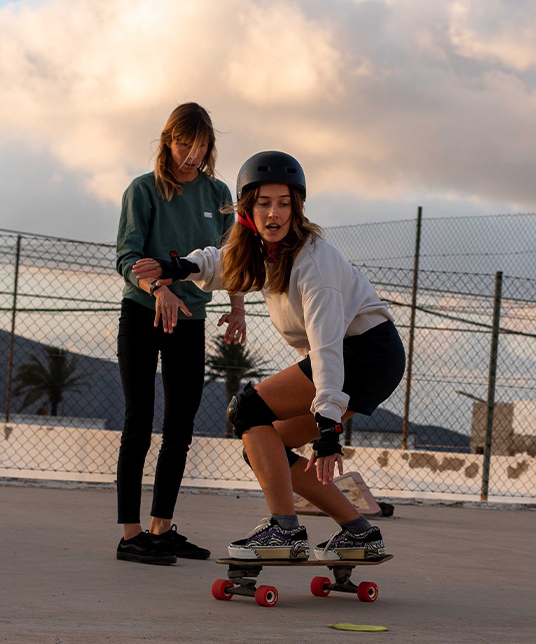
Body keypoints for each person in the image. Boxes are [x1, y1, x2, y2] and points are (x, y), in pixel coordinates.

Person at [140, 150, 405, 561]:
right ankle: (359, 532)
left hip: (363, 352)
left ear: (296, 208)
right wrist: (178, 268)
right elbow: (221, 262)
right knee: (265, 445)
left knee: (246, 411)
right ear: (248, 209)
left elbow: (327, 346)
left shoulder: (315, 263)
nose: (274, 213)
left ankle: (285, 532)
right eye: (264, 203)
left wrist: (329, 426)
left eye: (284, 203)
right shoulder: (264, 250)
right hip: (360, 359)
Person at [114, 102, 245, 565]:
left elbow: (230, 261)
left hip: (190, 321)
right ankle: (131, 537)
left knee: (180, 429)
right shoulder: (143, 190)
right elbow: (127, 258)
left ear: (210, 145)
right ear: (167, 141)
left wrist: (236, 309)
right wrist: (158, 289)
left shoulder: (219, 194)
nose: (190, 153)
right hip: (142, 316)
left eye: (199, 144)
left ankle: (161, 528)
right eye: (182, 142)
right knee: (139, 424)